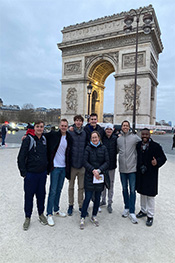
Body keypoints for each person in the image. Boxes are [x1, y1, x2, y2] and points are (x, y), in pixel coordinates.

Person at [17, 120, 48, 231]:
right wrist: (24, 173)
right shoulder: (28, 140)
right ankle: (28, 217)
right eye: (38, 127)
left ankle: (41, 213)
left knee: (41, 195)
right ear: (34, 128)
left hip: (42, 173)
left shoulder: (44, 139)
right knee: (29, 197)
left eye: (41, 127)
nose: (40, 129)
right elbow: (21, 157)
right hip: (31, 174)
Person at [136, 128, 167, 226]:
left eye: (146, 134)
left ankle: (150, 215)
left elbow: (163, 158)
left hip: (151, 174)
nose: (144, 136)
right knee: (142, 194)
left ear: (149, 135)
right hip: (141, 173)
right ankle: (143, 210)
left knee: (150, 195)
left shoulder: (156, 146)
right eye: (143, 134)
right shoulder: (138, 145)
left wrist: (157, 162)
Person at [80, 131, 109, 230]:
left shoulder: (103, 148)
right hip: (90, 176)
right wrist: (93, 170)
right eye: (92, 137)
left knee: (97, 198)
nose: (94, 139)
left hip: (99, 177)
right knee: (87, 198)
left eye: (96, 137)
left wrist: (99, 170)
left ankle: (94, 215)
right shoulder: (87, 148)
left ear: (99, 138)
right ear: (90, 139)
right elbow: (84, 161)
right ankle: (83, 216)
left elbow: (107, 161)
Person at [46, 119, 72, 226]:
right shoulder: (53, 135)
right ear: (59, 126)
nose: (63, 127)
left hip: (63, 167)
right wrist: (27, 135)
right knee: (53, 190)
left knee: (59, 189)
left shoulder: (69, 137)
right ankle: (49, 213)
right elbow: (40, 134)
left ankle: (56, 209)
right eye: (62, 125)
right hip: (55, 167)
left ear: (67, 126)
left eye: (65, 126)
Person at [117, 120, 141, 224]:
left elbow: (143, 144)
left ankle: (132, 211)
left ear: (129, 127)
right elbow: (116, 151)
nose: (125, 127)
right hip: (122, 168)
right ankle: (126, 207)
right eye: (124, 125)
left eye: (127, 125)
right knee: (124, 189)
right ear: (121, 127)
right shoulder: (119, 139)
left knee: (132, 190)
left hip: (132, 168)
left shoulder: (135, 138)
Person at [67, 115, 86, 216]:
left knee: (81, 187)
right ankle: (70, 204)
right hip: (72, 164)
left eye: (80, 121)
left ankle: (81, 205)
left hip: (82, 164)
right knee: (71, 187)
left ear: (82, 122)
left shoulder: (85, 133)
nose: (78, 122)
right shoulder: (70, 132)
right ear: (74, 122)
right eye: (76, 121)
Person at [100, 123, 118, 213]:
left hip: (111, 165)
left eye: (110, 129)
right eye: (107, 129)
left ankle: (109, 202)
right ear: (105, 130)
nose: (108, 131)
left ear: (113, 130)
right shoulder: (102, 138)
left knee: (110, 184)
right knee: (102, 184)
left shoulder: (116, 139)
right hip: (103, 165)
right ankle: (103, 200)